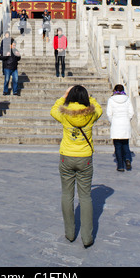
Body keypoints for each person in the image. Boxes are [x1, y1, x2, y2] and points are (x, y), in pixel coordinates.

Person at [50, 85, 102, 248]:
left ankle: (70, 233)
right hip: (85, 157)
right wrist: (90, 96)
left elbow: (53, 110)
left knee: (67, 194)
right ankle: (87, 237)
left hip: (67, 156)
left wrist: (64, 96)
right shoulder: (91, 112)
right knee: (85, 197)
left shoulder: (64, 112)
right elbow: (99, 108)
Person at [106, 84, 134, 172]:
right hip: (125, 123)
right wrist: (126, 119)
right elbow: (131, 113)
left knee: (117, 146)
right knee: (125, 144)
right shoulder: (127, 99)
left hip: (116, 124)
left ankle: (120, 166)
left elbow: (109, 113)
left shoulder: (111, 100)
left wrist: (113, 120)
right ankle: (127, 159)